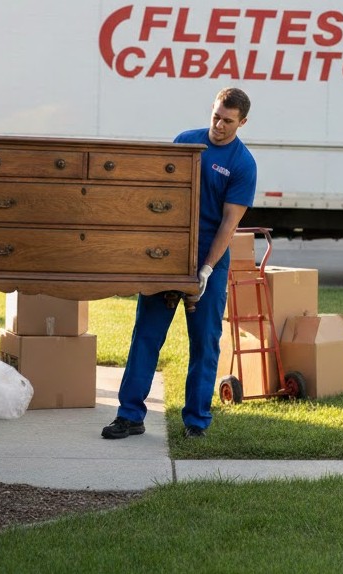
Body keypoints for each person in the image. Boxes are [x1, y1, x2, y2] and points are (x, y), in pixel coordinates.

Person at [102, 87, 256, 440]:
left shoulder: (242, 164)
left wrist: (205, 269)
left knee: (204, 342)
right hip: (166, 254)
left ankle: (196, 422)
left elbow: (228, 225)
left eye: (228, 120)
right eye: (216, 115)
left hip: (208, 257)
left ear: (242, 122)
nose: (218, 124)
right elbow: (158, 197)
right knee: (146, 334)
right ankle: (130, 416)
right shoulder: (186, 143)